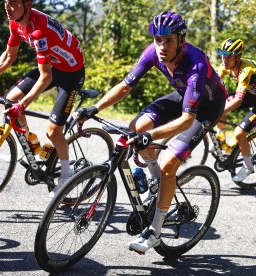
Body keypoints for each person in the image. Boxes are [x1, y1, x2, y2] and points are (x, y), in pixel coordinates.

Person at [75, 11, 226, 254]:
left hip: (207, 109)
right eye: (158, 39)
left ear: (181, 40)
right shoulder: (153, 52)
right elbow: (125, 86)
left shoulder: (195, 65)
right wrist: (95, 107)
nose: (162, 46)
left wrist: (151, 137)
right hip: (182, 95)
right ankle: (157, 182)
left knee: (168, 163)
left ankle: (155, 230)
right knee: (136, 128)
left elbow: (188, 119)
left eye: (168, 40)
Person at [0, 0, 85, 197]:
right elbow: (8, 56)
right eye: (6, 2)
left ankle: (67, 175)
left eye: (13, 3)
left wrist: (23, 105)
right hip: (54, 65)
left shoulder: (38, 31)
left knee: (53, 132)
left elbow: (46, 77)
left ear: (27, 4)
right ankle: (32, 144)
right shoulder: (15, 22)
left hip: (71, 73)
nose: (8, 7)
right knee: (10, 99)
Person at [216, 38, 256, 182]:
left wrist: (218, 113)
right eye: (222, 54)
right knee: (220, 104)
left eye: (229, 56)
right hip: (251, 94)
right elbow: (212, 82)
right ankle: (223, 141)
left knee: (239, 133)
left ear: (238, 57)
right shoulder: (225, 65)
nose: (224, 59)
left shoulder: (246, 70)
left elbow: (238, 101)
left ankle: (248, 165)